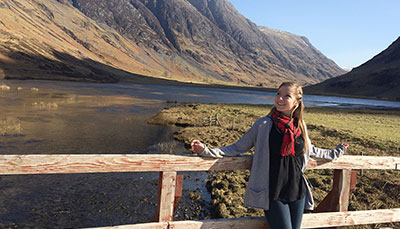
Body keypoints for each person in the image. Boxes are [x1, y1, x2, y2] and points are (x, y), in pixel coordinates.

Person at [191, 82, 348, 229]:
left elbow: (310, 149)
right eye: (278, 93)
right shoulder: (264, 124)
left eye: (286, 96)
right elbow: (238, 147)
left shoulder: (300, 126)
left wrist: (337, 151)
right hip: (273, 191)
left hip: (297, 190)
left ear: (297, 102)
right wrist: (206, 150)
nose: (280, 98)